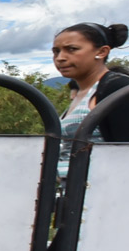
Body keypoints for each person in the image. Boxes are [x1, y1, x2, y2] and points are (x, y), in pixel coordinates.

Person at [52, 21, 129, 181]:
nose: (60, 58)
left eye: (72, 49)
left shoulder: (117, 89)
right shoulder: (81, 93)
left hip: (103, 197)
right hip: (73, 197)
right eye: (56, 51)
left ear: (101, 52)